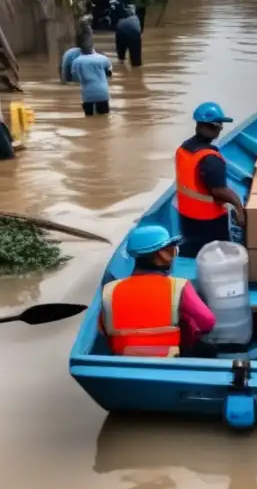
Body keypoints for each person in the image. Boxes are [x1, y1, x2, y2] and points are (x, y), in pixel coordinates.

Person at [100, 225, 217, 358]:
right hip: (168, 360)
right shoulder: (179, 286)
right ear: (162, 254)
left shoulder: (109, 289)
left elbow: (103, 329)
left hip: (124, 359)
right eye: (172, 248)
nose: (174, 253)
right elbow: (207, 322)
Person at [175, 102, 246, 257]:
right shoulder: (210, 159)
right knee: (216, 255)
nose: (220, 129)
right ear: (213, 127)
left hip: (186, 217)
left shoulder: (183, 149)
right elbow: (219, 191)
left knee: (193, 249)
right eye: (220, 126)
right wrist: (239, 207)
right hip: (208, 222)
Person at [71, 37, 113, 116]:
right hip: (102, 93)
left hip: (87, 95)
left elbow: (75, 78)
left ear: (80, 50)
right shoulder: (103, 59)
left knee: (89, 119)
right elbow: (109, 73)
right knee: (104, 118)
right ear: (93, 48)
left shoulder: (76, 61)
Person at [114, 3, 143, 67]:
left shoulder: (119, 22)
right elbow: (140, 31)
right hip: (135, 35)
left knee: (121, 58)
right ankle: (136, 71)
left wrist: (121, 56)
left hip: (121, 33)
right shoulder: (136, 18)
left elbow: (118, 44)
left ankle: (122, 66)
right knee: (136, 62)